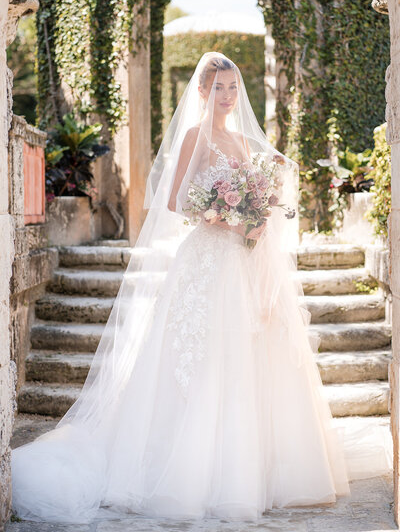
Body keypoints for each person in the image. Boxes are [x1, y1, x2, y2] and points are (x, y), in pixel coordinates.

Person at [10, 52, 392, 524]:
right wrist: (224, 216)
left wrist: (261, 208)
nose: (227, 96)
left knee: (251, 357)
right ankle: (191, 471)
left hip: (244, 260)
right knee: (201, 355)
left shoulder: (240, 138)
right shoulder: (196, 135)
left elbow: (260, 191)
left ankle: (257, 468)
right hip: (208, 257)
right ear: (202, 91)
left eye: (233, 87)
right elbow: (175, 199)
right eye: (218, 89)